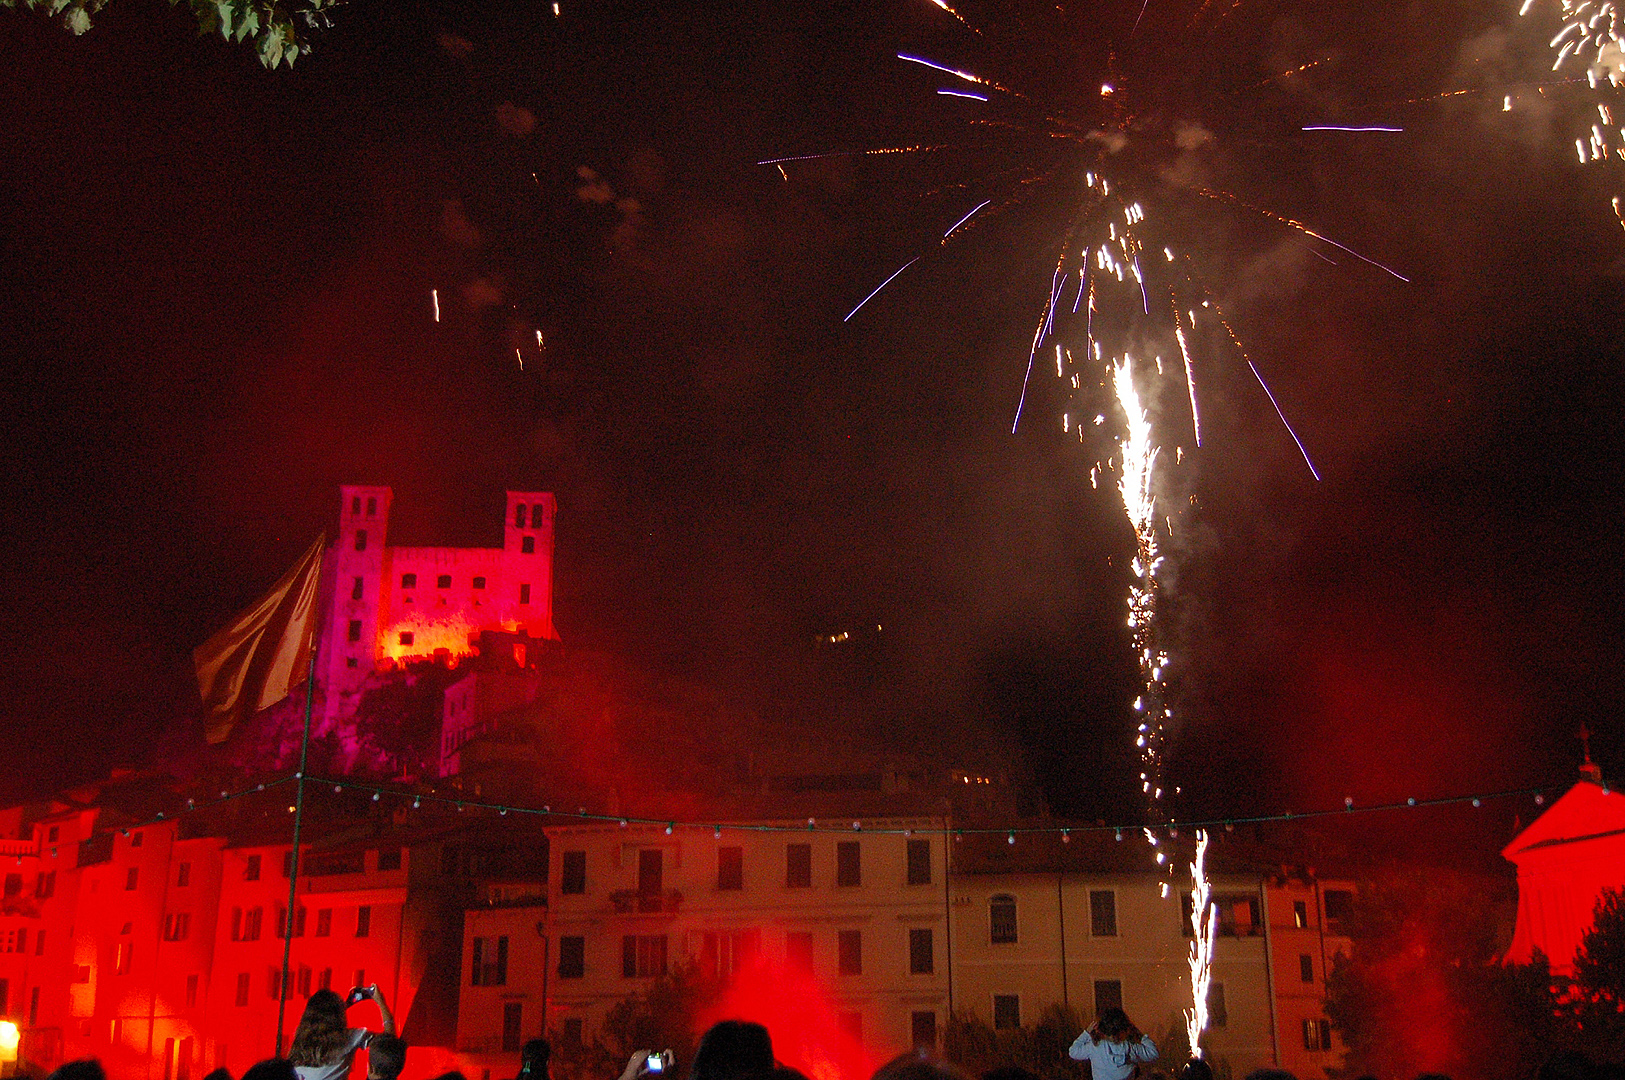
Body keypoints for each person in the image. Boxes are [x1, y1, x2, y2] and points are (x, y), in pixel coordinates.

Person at [290, 986, 397, 1080]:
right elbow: (389, 1045)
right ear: (337, 1016)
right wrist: (381, 1002)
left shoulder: (300, 1042)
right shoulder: (348, 1038)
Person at [1068, 1008, 1157, 1080]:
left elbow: (1073, 1052)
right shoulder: (1131, 1048)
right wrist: (1139, 1034)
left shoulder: (1094, 1047)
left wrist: (1087, 1033)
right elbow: (1153, 1053)